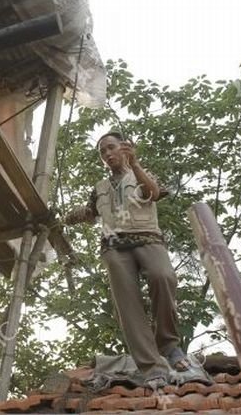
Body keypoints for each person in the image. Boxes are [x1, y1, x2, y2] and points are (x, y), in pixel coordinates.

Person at [62, 131, 191, 388]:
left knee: (163, 276)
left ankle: (169, 345)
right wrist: (72, 216)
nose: (107, 154)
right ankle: (152, 367)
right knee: (127, 304)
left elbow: (152, 193)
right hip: (114, 247)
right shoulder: (99, 187)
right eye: (102, 152)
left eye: (111, 148)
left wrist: (136, 165)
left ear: (124, 148)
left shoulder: (141, 173)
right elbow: (91, 213)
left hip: (148, 238)